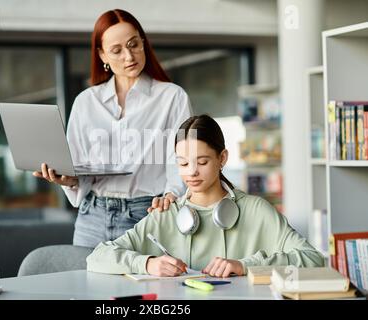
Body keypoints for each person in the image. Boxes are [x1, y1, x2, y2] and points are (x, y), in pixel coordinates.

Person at [86, 114, 325, 277]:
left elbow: (313, 259)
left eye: (202, 161)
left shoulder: (256, 210)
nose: (191, 172)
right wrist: (147, 264)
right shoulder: (166, 212)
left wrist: (245, 266)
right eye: (182, 163)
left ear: (222, 159)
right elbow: (97, 257)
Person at [33, 9, 192, 248]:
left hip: (146, 214)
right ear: (102, 55)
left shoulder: (172, 97)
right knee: (85, 284)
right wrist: (66, 179)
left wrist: (172, 195)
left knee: (144, 286)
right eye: (117, 50)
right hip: (92, 217)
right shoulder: (86, 102)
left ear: (143, 43)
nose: (129, 56)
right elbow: (77, 165)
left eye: (134, 44)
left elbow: (182, 159)